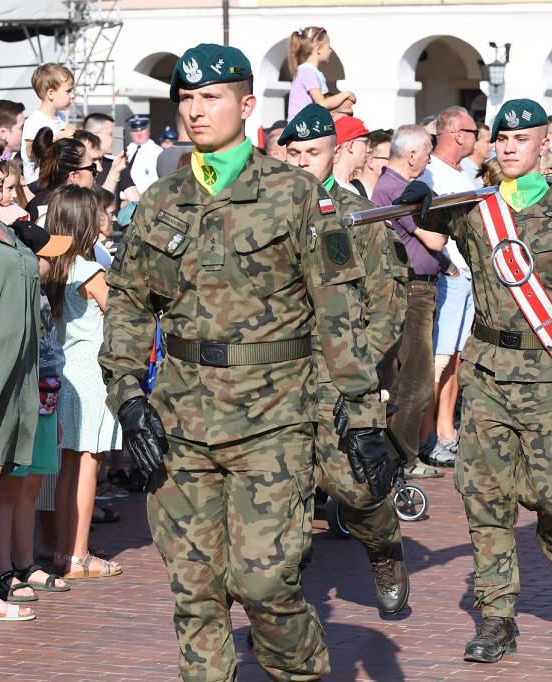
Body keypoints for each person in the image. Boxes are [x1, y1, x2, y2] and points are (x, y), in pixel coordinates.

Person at [100, 43, 386, 679]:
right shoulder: (159, 199)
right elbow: (126, 303)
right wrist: (127, 396)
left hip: (273, 422)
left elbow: (339, 306)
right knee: (195, 594)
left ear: (247, 104)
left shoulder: (297, 195)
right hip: (178, 423)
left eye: (211, 97)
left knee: (263, 586)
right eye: (186, 99)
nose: (195, 111)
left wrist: (361, 411)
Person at [399, 97, 552, 663]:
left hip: (549, 375)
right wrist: (417, 200)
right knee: (483, 496)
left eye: (523, 138)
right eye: (503, 138)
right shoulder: (476, 209)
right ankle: (497, 617)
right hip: (488, 372)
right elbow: (424, 216)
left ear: (544, 144)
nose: (510, 146)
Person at [279, 102, 410, 614]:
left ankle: (383, 549)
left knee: (356, 490)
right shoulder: (262, 217)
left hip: (339, 377)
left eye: (311, 153)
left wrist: (355, 369)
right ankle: (280, 610)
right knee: (278, 502)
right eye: (292, 153)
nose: (300, 164)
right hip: (274, 380)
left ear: (334, 155)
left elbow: (388, 302)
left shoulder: (356, 219)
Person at [0, 219, 73, 604]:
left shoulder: (41, 296)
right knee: (6, 485)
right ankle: (3, 567)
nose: (52, 264)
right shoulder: (16, 293)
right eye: (45, 256)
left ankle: (24, 562)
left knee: (30, 484)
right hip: (21, 396)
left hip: (46, 394)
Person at [41, 185, 124, 581]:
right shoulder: (91, 270)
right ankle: (78, 556)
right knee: (90, 461)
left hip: (63, 367)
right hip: (90, 371)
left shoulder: (52, 266)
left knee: (68, 465)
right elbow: (120, 314)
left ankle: (62, 551)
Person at [0, 139, 41, 623]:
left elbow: (55, 253)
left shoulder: (1, 225)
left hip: (12, 371)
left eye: (1, 166)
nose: (0, 175)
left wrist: (23, 221)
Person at [372, 124, 445, 479]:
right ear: (412, 154)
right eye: (427, 153)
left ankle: (398, 457)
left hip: (418, 289)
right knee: (415, 379)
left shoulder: (398, 186)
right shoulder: (396, 188)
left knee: (409, 378)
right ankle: (401, 460)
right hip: (411, 291)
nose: (428, 159)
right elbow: (434, 239)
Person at [416, 106, 479, 467]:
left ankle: (445, 431)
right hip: (449, 279)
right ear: (457, 133)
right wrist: (449, 266)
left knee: (455, 358)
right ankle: (427, 437)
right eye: (472, 131)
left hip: (466, 278)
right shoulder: (431, 173)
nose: (476, 138)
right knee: (438, 362)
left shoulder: (463, 172)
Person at [22, 63, 76, 186]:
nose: (72, 96)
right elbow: (31, 153)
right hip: (38, 183)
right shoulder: (35, 120)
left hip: (56, 179)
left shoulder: (60, 118)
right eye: (68, 91)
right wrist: (61, 138)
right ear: (51, 93)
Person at [287, 26, 355, 119]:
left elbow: (327, 101)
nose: (330, 51)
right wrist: (346, 94)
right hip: (301, 127)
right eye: (328, 47)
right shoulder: (307, 71)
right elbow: (322, 104)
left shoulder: (313, 72)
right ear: (318, 48)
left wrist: (346, 100)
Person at [331, 115, 370, 194]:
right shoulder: (328, 190)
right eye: (366, 142)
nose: (369, 149)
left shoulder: (359, 189)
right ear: (350, 145)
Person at [125, 115, 162, 193]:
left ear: (148, 129)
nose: (139, 133)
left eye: (142, 129)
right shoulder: (126, 150)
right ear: (130, 132)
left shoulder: (157, 151)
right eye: (135, 130)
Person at [357, 128, 392, 198]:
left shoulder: (389, 193)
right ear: (370, 162)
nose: (395, 164)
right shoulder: (354, 193)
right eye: (389, 159)